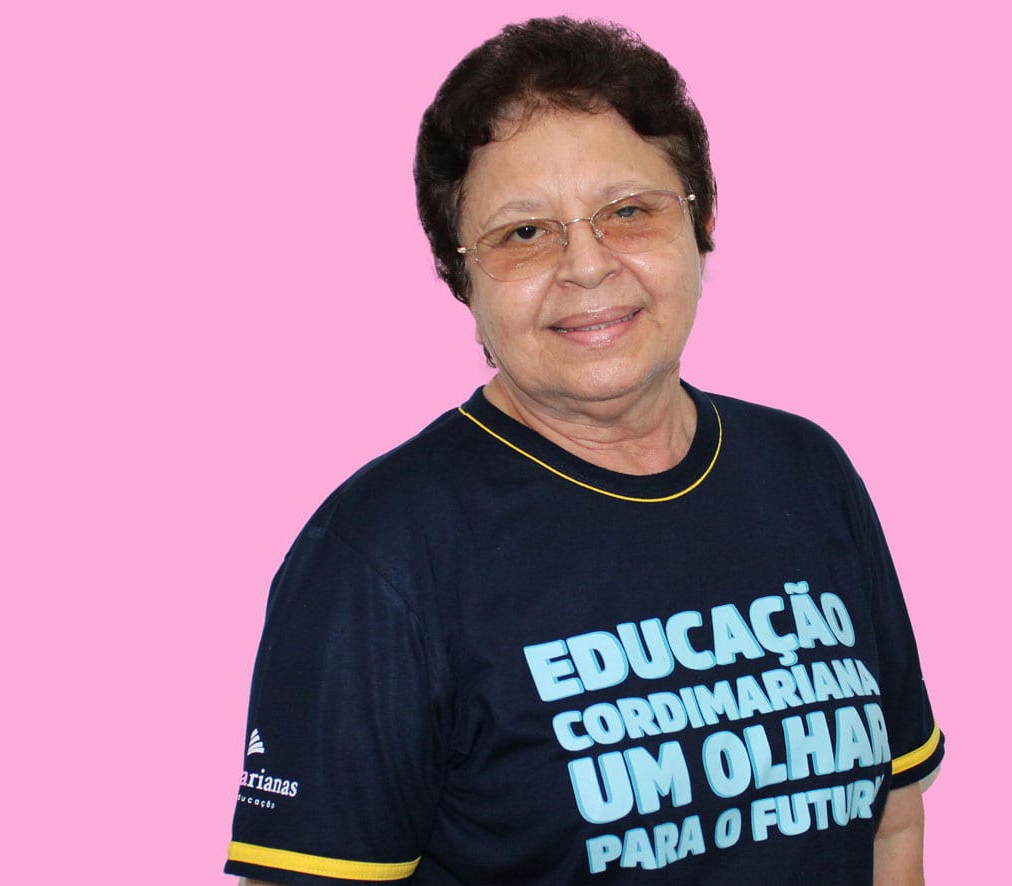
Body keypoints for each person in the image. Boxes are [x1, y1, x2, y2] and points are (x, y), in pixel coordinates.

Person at [225, 16, 944, 885]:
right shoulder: (380, 559)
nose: (588, 266)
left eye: (629, 212)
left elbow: (891, 824)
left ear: (701, 223)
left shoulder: (806, 472)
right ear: (461, 277)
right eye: (524, 233)